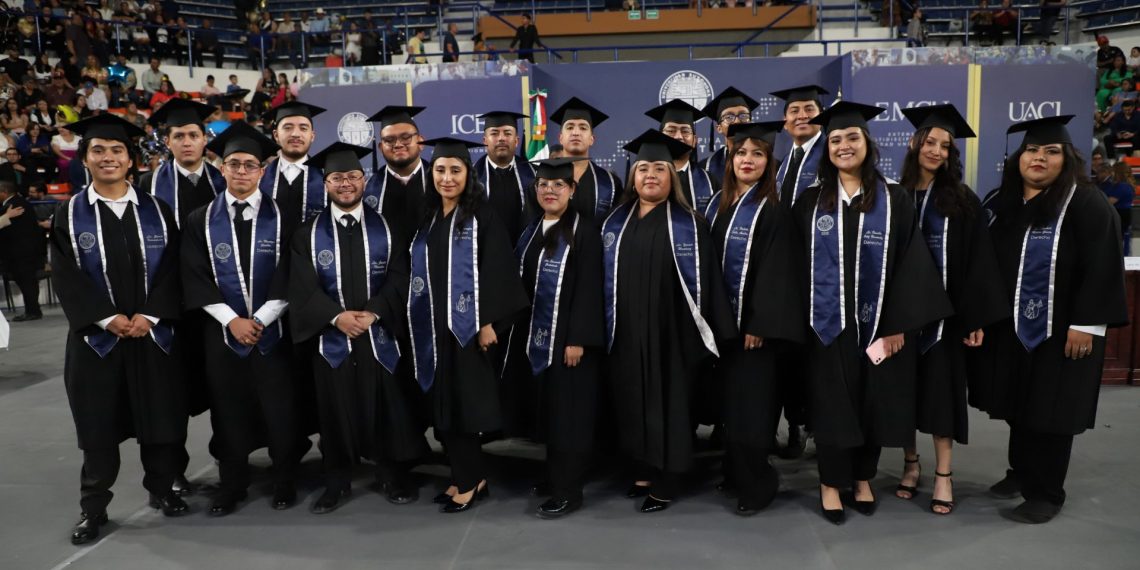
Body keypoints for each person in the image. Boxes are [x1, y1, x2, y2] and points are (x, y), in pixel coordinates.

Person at [791, 102, 952, 525]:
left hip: (877, 326)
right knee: (831, 405)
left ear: (867, 143)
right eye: (835, 140)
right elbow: (793, 266)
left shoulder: (893, 199)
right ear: (827, 148)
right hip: (825, 327)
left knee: (871, 402)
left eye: (852, 137)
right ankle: (830, 483)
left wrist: (897, 324)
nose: (844, 146)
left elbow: (910, 264)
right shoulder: (811, 202)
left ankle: (862, 477)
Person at [975, 115, 1128, 524]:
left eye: (1051, 151)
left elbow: (1103, 265)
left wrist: (1087, 325)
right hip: (1010, 329)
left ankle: (1046, 492)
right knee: (1018, 404)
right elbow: (983, 263)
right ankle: (1021, 472)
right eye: (1031, 150)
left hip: (1063, 331)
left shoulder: (1085, 202)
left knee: (1052, 410)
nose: (1039, 158)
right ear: (1018, 158)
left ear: (1066, 159)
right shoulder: (1000, 202)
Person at [49, 114, 188, 545]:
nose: (108, 157)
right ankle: (93, 508)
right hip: (97, 341)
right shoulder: (69, 214)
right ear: (85, 159)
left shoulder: (157, 210)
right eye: (98, 150)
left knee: (160, 419)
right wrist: (107, 318)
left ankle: (163, 489)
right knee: (98, 429)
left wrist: (151, 314)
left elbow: (174, 268)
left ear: (130, 160)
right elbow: (66, 276)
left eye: (117, 150)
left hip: (152, 336)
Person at [289, 141, 430, 514]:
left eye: (352, 176)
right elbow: (301, 286)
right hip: (331, 338)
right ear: (326, 183)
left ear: (364, 179)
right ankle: (336, 481)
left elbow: (401, 276)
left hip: (377, 336)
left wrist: (375, 312)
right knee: (334, 412)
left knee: (386, 408)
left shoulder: (388, 227)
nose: (346, 184)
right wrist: (337, 317)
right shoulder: (306, 234)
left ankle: (390, 474)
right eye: (337, 178)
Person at [602, 129, 736, 513]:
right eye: (643, 168)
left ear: (671, 177)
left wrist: (713, 334)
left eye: (659, 169)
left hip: (671, 335)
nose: (650, 175)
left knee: (669, 407)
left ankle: (667, 479)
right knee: (631, 401)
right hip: (627, 334)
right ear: (633, 176)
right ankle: (643, 471)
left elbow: (708, 282)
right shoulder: (613, 224)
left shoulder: (689, 224)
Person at [892, 105, 1009, 515]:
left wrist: (974, 318)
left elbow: (979, 262)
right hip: (901, 319)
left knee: (942, 396)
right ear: (914, 143)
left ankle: (944, 474)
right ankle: (911, 463)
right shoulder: (893, 196)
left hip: (945, 320)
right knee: (904, 393)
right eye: (930, 142)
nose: (936, 151)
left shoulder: (962, 200)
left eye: (945, 146)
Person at [180, 122, 301, 516]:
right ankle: (231, 483)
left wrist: (261, 319)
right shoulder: (200, 219)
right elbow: (194, 275)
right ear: (222, 168)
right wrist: (232, 320)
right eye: (234, 164)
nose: (242, 171)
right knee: (227, 410)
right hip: (222, 335)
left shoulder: (285, 217)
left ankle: (285, 479)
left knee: (280, 410)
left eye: (250, 165)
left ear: (262, 171)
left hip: (274, 334)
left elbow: (292, 274)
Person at [407, 137, 528, 513]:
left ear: (467, 175)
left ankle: (470, 480)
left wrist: (489, 321)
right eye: (440, 170)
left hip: (468, 331)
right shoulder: (429, 216)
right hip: (434, 330)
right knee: (445, 409)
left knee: (465, 409)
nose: (447, 178)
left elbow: (499, 270)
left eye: (455, 171)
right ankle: (465, 476)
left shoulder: (482, 218)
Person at [703, 121, 805, 515]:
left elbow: (778, 272)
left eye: (757, 154)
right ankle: (734, 473)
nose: (748, 160)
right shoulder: (718, 205)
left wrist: (759, 324)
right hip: (723, 328)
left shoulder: (774, 210)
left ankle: (758, 483)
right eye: (741, 153)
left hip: (753, 333)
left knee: (753, 411)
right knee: (732, 408)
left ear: (769, 162)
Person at [499, 156, 603, 519]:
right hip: (539, 341)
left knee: (568, 419)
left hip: (569, 345)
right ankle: (555, 476)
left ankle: (568, 491)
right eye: (543, 184)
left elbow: (591, 288)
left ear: (572, 189)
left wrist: (578, 339)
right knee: (551, 415)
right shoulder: (533, 228)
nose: (550, 190)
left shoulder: (585, 231)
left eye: (558, 185)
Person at [139, 99, 225, 229]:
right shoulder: (149, 183)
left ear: (204, 140)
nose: (186, 143)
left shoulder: (222, 181)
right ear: (167, 142)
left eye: (193, 136)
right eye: (179, 136)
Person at [549, 97, 623, 225]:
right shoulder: (543, 179)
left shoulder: (610, 184)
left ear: (591, 139)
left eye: (583, 128)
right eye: (570, 127)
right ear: (560, 138)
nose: (576, 132)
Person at [259, 101, 327, 239]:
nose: (296, 134)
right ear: (276, 135)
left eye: (303, 128)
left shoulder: (327, 178)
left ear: (312, 136)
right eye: (288, 128)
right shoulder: (259, 179)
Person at [363, 105, 430, 239]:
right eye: (389, 140)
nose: (398, 144)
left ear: (421, 142)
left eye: (406, 137)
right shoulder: (367, 190)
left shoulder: (439, 182)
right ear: (381, 148)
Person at [645, 99, 718, 213]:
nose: (678, 136)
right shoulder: (645, 180)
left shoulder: (710, 182)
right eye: (671, 131)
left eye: (685, 131)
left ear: (695, 141)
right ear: (660, 138)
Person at [473, 110, 536, 240]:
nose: (501, 138)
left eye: (507, 133)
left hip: (524, 247)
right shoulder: (471, 177)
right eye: (494, 133)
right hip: (485, 248)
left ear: (516, 141)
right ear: (485, 140)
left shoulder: (534, 175)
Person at [0, 180, 45, 321]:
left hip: (20, 252)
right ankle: (33, 309)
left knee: (26, 281)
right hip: (25, 251)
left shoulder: (13, 205)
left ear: (4, 192)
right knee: (28, 281)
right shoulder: (19, 203)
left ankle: (33, 310)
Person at [700, 86, 759, 188]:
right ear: (719, 128)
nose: (737, 121)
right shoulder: (705, 168)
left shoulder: (770, 164)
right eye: (729, 117)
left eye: (743, 116)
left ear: (751, 122)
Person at [1100, 161, 1135, 255]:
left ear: (1118, 172)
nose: (1111, 174)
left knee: (1119, 242)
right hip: (1120, 214)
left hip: (1121, 215)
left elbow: (1108, 202)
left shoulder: (1123, 186)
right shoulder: (1118, 185)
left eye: (1113, 171)